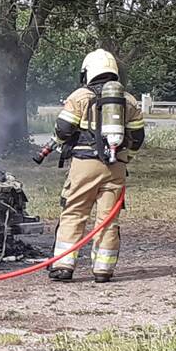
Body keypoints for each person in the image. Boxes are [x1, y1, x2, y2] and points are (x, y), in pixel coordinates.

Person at [48, 49, 145, 283]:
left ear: (88, 72)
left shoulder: (80, 96)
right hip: (116, 166)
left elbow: (63, 129)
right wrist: (126, 158)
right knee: (108, 219)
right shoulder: (129, 100)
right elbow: (138, 137)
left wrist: (58, 142)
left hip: (85, 164)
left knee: (74, 212)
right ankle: (103, 269)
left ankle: (63, 265)